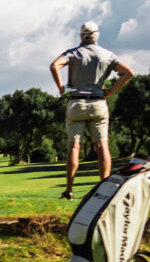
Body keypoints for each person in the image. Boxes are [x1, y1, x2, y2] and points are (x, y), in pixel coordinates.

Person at [49, 21, 134, 200]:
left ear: (81, 35)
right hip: (98, 103)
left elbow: (54, 65)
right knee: (102, 146)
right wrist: (111, 91)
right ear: (97, 35)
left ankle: (69, 190)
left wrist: (62, 88)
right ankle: (105, 191)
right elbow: (128, 73)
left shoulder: (73, 53)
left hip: (76, 104)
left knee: (74, 146)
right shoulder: (107, 55)